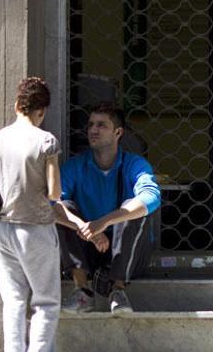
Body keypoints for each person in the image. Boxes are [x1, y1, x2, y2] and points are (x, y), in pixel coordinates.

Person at [0, 77, 62, 352]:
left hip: (2, 229)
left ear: (17, 105)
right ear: (42, 111)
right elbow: (53, 193)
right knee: (46, 301)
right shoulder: (46, 141)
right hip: (35, 228)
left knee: (13, 299)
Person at [53, 102, 160, 314]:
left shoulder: (134, 164)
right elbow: (51, 204)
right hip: (88, 246)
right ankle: (82, 290)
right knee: (64, 207)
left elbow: (152, 196)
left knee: (133, 207)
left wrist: (104, 222)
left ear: (118, 132)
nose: (93, 129)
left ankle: (118, 291)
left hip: (128, 252)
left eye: (101, 125)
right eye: (91, 124)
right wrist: (85, 228)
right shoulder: (76, 166)